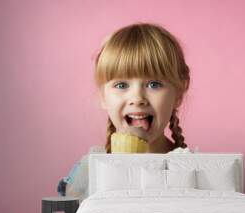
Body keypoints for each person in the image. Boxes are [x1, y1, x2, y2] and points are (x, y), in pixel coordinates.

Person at [58, 22, 195, 200]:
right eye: (121, 85)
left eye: (154, 84)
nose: (137, 98)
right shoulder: (88, 170)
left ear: (179, 92)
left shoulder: (191, 168)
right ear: (102, 96)